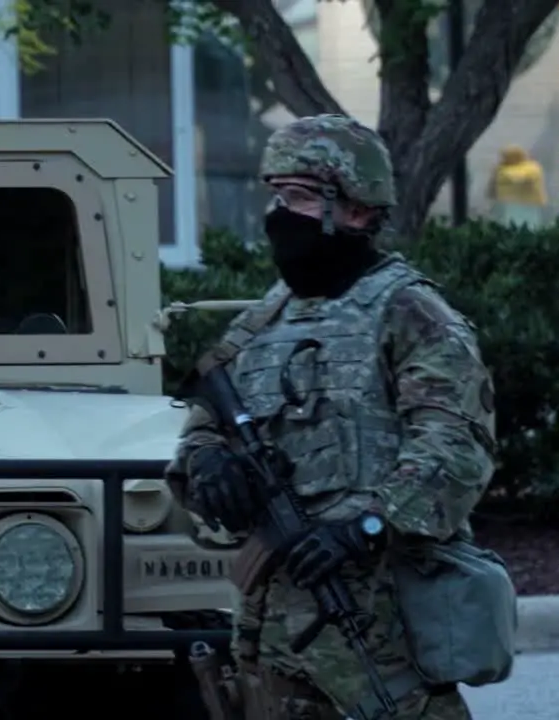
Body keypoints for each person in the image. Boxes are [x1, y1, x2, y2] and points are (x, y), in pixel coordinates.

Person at [165, 114, 501, 720]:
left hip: (379, 635)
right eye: (275, 195)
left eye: (296, 196)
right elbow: (203, 420)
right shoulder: (266, 319)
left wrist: (366, 526)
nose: (278, 215)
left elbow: (455, 448)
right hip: (270, 643)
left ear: (356, 209)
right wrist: (209, 462)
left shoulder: (412, 313)